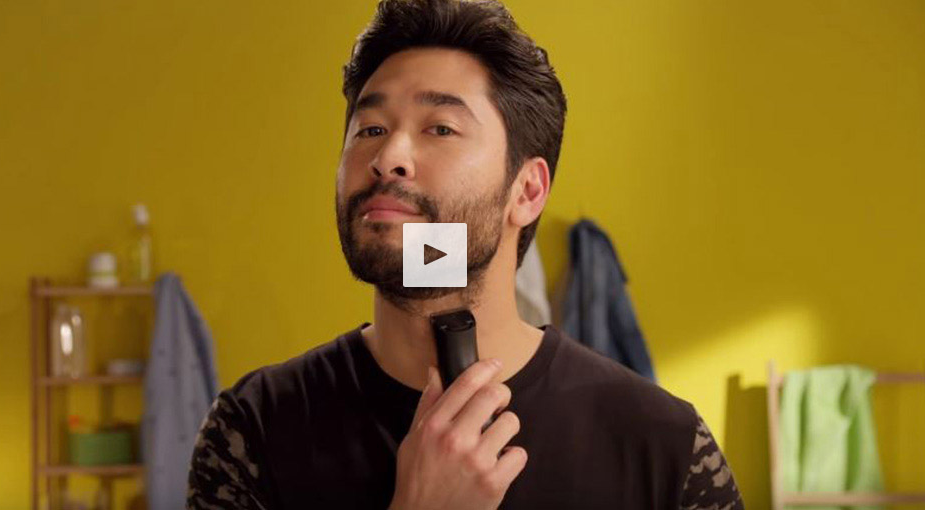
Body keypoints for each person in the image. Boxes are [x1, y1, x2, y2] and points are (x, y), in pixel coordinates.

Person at [187, 0, 745, 508]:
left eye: (441, 128)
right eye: (371, 128)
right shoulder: (251, 430)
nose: (388, 157)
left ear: (526, 191)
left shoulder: (666, 447)